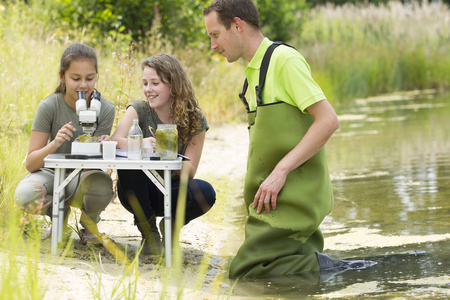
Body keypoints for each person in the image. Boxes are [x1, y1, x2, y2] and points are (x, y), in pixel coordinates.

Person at [204, 0, 375, 280]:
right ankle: (331, 267)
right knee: (256, 270)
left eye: (215, 35)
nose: (213, 45)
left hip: (295, 194)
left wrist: (280, 171)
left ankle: (345, 271)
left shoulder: (284, 60)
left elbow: (328, 121)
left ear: (237, 25)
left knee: (245, 271)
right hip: (271, 199)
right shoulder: (252, 74)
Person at [111, 54, 216, 256]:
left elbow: (190, 170)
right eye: (145, 83)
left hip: (170, 189)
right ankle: (149, 233)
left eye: (155, 83)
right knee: (129, 162)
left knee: (206, 192)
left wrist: (165, 155)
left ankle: (171, 227)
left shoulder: (195, 118)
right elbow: (115, 141)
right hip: (137, 191)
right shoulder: (138, 110)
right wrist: (140, 144)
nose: (148, 89)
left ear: (174, 85)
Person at [15, 43, 115, 246]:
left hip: (82, 176)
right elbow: (31, 164)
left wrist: (102, 148)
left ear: (96, 76)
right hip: (51, 174)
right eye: (75, 78)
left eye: (90, 78)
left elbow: (95, 167)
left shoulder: (105, 110)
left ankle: (89, 224)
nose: (83, 86)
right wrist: (55, 143)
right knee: (26, 195)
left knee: (101, 184)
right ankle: (60, 215)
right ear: (62, 76)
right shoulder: (49, 106)